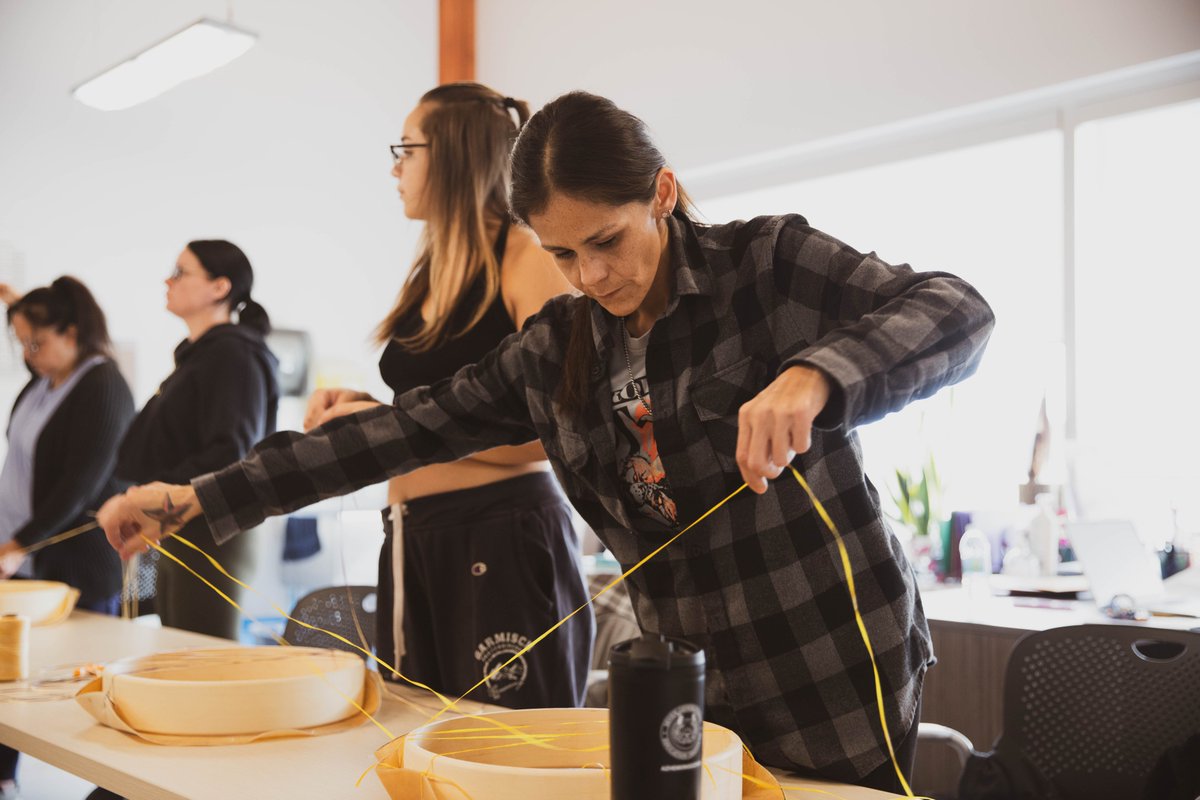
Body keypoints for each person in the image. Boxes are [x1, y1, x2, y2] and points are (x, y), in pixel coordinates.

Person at [98, 91, 995, 792]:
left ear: (662, 193)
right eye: (562, 255)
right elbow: (394, 434)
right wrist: (201, 497)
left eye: (605, 241)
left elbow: (957, 309)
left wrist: (817, 375)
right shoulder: (554, 349)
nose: (591, 276)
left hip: (829, 660)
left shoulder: (766, 266)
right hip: (685, 678)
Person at [303, 82, 591, 708]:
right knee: (414, 739)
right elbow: (427, 408)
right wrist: (366, 408)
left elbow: (562, 435)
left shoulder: (526, 259)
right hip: (413, 535)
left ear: (455, 154)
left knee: (510, 751)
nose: (394, 168)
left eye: (406, 149)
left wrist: (392, 425)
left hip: (500, 537)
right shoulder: (434, 271)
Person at [0, 277, 135, 800]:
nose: (28, 355)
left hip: (73, 562)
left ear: (71, 333)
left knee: (79, 684)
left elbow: (81, 481)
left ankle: (110, 787)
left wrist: (21, 543)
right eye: (21, 344)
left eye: (35, 342)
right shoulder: (41, 384)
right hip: (24, 558)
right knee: (11, 676)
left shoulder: (102, 385)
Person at [113, 240, 279, 640]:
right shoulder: (203, 356)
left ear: (220, 287)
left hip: (213, 530)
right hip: (184, 525)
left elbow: (230, 453)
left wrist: (151, 497)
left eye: (180, 272)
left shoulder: (233, 355)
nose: (167, 281)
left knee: (201, 657)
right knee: (178, 649)